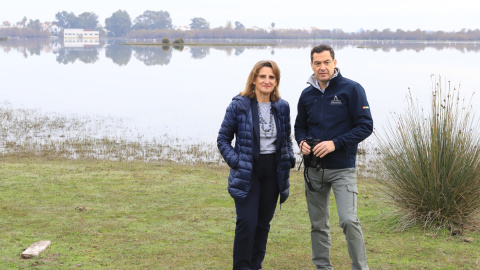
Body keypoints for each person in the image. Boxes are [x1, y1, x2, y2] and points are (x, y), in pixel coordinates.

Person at [294, 44, 373, 270]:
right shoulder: (307, 94)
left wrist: (334, 144)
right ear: (311, 65)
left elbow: (365, 126)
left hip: (342, 169)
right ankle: (323, 267)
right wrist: (301, 142)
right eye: (317, 63)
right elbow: (299, 126)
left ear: (334, 63)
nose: (322, 67)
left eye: (326, 62)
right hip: (313, 170)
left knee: (349, 220)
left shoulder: (352, 89)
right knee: (318, 225)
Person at [217, 60, 296, 270]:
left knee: (262, 225)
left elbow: (287, 138)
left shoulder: (282, 107)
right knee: (247, 223)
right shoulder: (239, 105)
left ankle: (256, 266)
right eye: (262, 76)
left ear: (276, 81)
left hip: (273, 172)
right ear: (254, 79)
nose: (267, 81)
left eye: (272, 77)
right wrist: (237, 162)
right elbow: (223, 139)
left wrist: (289, 159)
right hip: (248, 172)